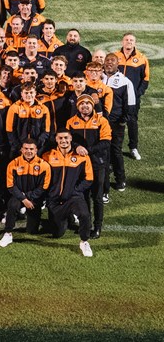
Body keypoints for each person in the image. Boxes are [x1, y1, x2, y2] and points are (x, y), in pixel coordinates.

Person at [42, 129, 95, 257]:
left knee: (84, 215)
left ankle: (84, 242)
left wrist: (75, 190)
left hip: (73, 197)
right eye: (60, 138)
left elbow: (89, 179)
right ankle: (67, 218)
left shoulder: (82, 157)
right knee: (57, 233)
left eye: (66, 138)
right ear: (56, 140)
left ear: (71, 139)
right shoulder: (47, 156)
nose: (63, 141)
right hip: (55, 200)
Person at [66, 94, 111, 239]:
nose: (85, 106)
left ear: (92, 105)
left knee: (97, 197)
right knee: (83, 196)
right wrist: (77, 146)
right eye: (82, 103)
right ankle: (86, 225)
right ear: (77, 106)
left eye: (88, 103)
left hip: (97, 163)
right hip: (79, 165)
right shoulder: (71, 122)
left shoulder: (101, 121)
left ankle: (97, 227)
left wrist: (87, 150)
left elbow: (106, 142)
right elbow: (66, 141)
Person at [0, 137, 51, 246]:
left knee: (32, 231)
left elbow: (43, 187)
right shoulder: (13, 164)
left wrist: (27, 197)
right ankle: (8, 234)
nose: (29, 151)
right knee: (12, 205)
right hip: (19, 196)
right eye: (26, 148)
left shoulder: (44, 165)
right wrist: (23, 199)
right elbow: (10, 186)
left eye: (31, 149)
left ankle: (35, 217)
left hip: (34, 199)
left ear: (36, 150)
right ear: (21, 150)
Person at [102, 53, 135, 193]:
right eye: (107, 60)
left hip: (115, 123)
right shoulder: (98, 77)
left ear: (117, 64)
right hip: (99, 122)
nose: (109, 63)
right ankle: (102, 178)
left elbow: (130, 104)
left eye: (112, 61)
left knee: (116, 151)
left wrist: (123, 121)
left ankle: (120, 180)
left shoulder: (125, 81)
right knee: (102, 151)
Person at [114, 33, 149, 160]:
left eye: (131, 40)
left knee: (132, 122)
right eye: (126, 40)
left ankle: (133, 147)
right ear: (122, 42)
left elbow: (145, 79)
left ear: (135, 43)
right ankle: (114, 147)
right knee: (115, 122)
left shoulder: (142, 58)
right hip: (116, 97)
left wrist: (137, 93)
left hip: (133, 98)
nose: (129, 42)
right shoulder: (114, 57)